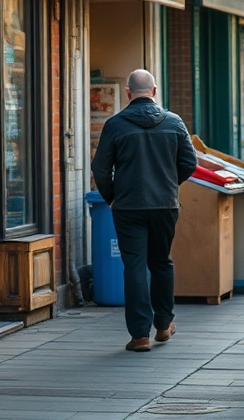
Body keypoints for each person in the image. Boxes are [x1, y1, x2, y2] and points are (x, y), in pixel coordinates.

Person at [90, 69, 197, 354]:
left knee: (134, 266)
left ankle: (139, 336)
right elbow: (189, 162)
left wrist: (113, 196)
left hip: (128, 206)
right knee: (161, 262)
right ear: (155, 90)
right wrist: (169, 184)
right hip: (164, 204)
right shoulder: (174, 122)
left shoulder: (115, 125)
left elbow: (100, 168)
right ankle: (163, 324)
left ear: (128, 93)